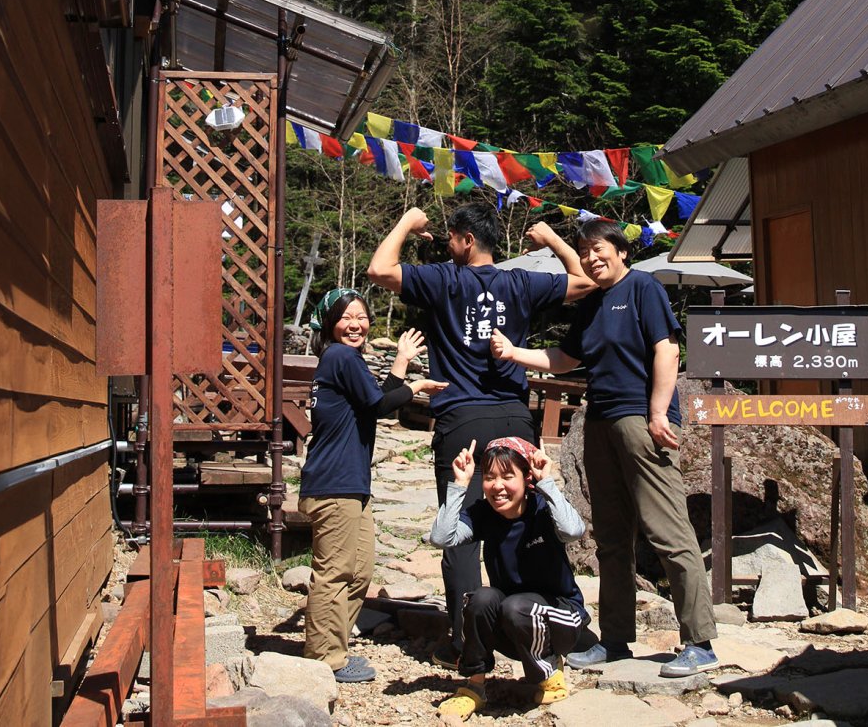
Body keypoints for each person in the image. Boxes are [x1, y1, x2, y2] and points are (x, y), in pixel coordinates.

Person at [490, 219, 719, 677]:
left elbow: (666, 350)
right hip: (598, 422)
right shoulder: (592, 303)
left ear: (621, 251)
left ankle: (699, 642)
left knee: (667, 531)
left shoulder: (643, 289)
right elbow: (566, 359)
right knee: (612, 538)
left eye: (599, 250)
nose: (592, 258)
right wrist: (514, 352)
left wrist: (658, 412)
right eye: (585, 251)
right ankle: (615, 640)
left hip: (640, 421)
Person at [368, 204, 595, 663]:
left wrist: (408, 223)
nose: (447, 245)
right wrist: (551, 238)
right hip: (515, 419)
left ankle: (467, 647)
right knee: (534, 520)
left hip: (462, 421)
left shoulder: (443, 280)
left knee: (461, 533)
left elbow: (379, 269)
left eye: (451, 237)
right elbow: (586, 281)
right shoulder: (519, 281)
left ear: (467, 240)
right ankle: (540, 625)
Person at [299, 287, 447, 683]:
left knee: (359, 572)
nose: (356, 324)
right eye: (346, 317)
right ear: (330, 324)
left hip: (350, 484)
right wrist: (415, 387)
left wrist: (400, 363)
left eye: (362, 316)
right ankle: (323, 659)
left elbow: (374, 400)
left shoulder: (344, 360)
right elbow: (381, 405)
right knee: (334, 573)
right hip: (334, 485)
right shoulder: (341, 355)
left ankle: (335, 646)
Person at [429, 436, 589, 718]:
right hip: (514, 620)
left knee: (516, 607)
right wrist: (459, 485)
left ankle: (550, 672)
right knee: (480, 599)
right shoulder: (485, 514)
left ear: (526, 477)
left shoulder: (541, 507)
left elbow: (574, 531)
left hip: (561, 621)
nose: (497, 486)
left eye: (507, 476)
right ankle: (473, 688)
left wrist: (546, 481)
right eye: (489, 477)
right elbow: (441, 537)